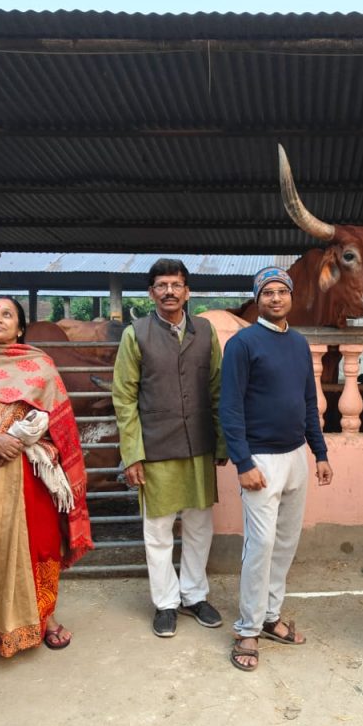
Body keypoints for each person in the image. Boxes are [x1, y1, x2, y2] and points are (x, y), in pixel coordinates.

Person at [0, 297, 93, 656]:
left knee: (40, 544)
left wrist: (31, 441)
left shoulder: (40, 366)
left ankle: (45, 619)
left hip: (29, 471)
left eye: (6, 314)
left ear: (20, 327)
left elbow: (62, 424)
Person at [220, 266, 333, 672]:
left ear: (291, 297)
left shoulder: (299, 344)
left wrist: (319, 453)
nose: (275, 299)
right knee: (261, 545)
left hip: (295, 457)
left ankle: (270, 618)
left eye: (281, 292)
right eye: (267, 293)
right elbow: (229, 407)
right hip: (260, 460)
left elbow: (308, 402)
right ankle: (247, 629)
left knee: (285, 545)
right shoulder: (243, 344)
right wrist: (243, 462)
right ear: (257, 299)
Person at [112, 258, 227, 638]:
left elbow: (216, 389)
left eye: (176, 285)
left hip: (198, 445)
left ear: (187, 291)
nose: (169, 292)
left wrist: (222, 442)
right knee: (158, 530)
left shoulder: (206, 332)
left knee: (199, 525)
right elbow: (124, 397)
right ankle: (166, 603)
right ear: (151, 293)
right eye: (161, 285)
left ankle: (194, 595)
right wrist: (132, 454)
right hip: (156, 447)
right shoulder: (137, 334)